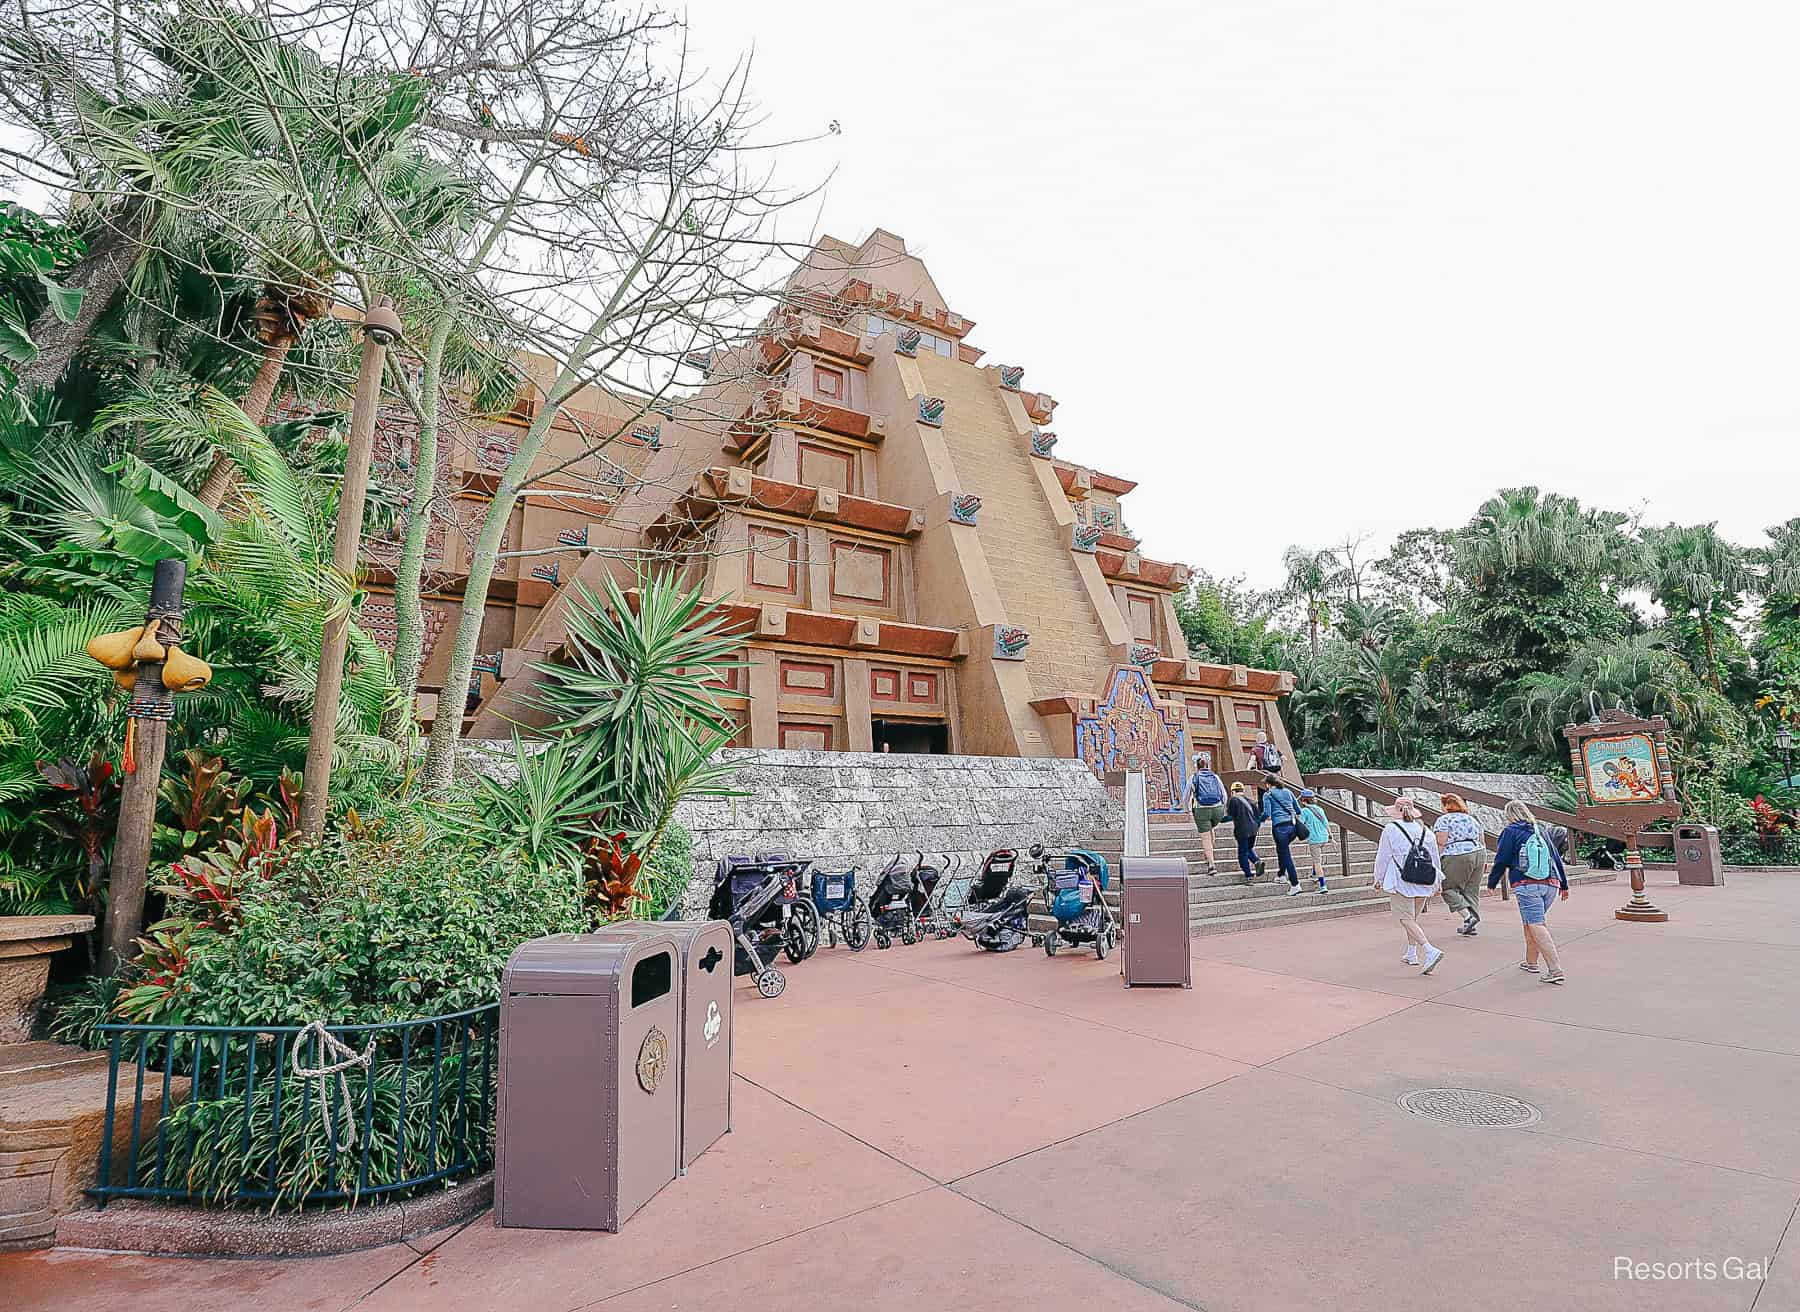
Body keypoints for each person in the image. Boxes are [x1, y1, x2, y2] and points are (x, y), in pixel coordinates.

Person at [1487, 799, 1569, 984]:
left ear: (1509, 815)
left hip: (1527, 883)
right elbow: (1555, 856)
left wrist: (1492, 882)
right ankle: (1531, 962)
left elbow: (1502, 859)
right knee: (1531, 922)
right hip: (1550, 883)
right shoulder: (1540, 829)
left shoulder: (1511, 831)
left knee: (1536, 924)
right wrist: (1564, 884)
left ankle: (1555, 969)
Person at [1374, 797, 1445, 974]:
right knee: (1412, 919)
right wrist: (1438, 881)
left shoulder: (1391, 829)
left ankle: (1429, 950)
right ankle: (1411, 953)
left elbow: (1383, 855)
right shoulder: (1425, 831)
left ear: (1396, 812)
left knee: (1405, 918)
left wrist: (1378, 877)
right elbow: (1434, 857)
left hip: (1401, 879)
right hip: (1424, 879)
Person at [1432, 793, 1485, 936]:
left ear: (1445, 805)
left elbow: (1441, 843)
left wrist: (1435, 861)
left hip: (1456, 854)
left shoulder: (1443, 820)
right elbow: (1482, 839)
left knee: (1448, 888)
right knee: (1471, 890)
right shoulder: (1472, 819)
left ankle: (1468, 917)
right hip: (1478, 852)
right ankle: (1471, 924)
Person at [1259, 773, 1305, 896]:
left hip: (1280, 829)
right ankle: (1281, 875)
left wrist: (1259, 820)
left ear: (1268, 784)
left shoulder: (1267, 795)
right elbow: (1298, 810)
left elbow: (1267, 812)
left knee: (1285, 855)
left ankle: (1295, 884)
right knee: (1281, 850)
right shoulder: (1288, 792)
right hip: (1292, 828)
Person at [1188, 756, 1227, 874]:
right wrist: (1222, 807)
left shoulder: (1193, 778)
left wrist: (1188, 810)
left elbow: (1186, 796)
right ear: (1207, 766)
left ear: (1197, 766)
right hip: (1217, 809)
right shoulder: (1215, 777)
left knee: (1205, 836)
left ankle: (1211, 864)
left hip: (1201, 809)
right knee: (1210, 829)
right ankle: (1209, 853)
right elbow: (1224, 794)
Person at [1226, 781, 1265, 881]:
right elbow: (1258, 817)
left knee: (1242, 853)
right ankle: (1257, 861)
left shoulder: (1233, 800)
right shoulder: (1251, 801)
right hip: (1253, 830)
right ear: (1243, 790)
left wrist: (1218, 820)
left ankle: (1248, 876)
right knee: (1248, 849)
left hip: (1242, 831)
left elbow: (1230, 815)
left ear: (1233, 791)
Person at [1297, 788, 1331, 894]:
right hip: (1324, 837)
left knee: (1317, 862)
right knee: (1316, 857)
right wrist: (1331, 835)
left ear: (1303, 800)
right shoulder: (1320, 809)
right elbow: (1326, 822)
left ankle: (1322, 885)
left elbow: (1300, 824)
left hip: (1315, 839)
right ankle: (1314, 874)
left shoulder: (1305, 811)